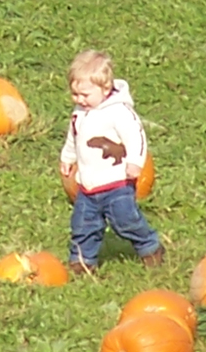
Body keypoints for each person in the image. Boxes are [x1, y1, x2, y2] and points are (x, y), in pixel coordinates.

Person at [59, 50, 164, 274]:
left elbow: (136, 136)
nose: (79, 99)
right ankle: (82, 260)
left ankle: (149, 246)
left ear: (105, 89)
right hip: (87, 186)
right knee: (83, 225)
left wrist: (135, 162)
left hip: (117, 183)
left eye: (85, 94)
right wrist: (67, 158)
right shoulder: (79, 113)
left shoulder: (119, 112)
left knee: (126, 221)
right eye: (75, 94)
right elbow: (73, 138)